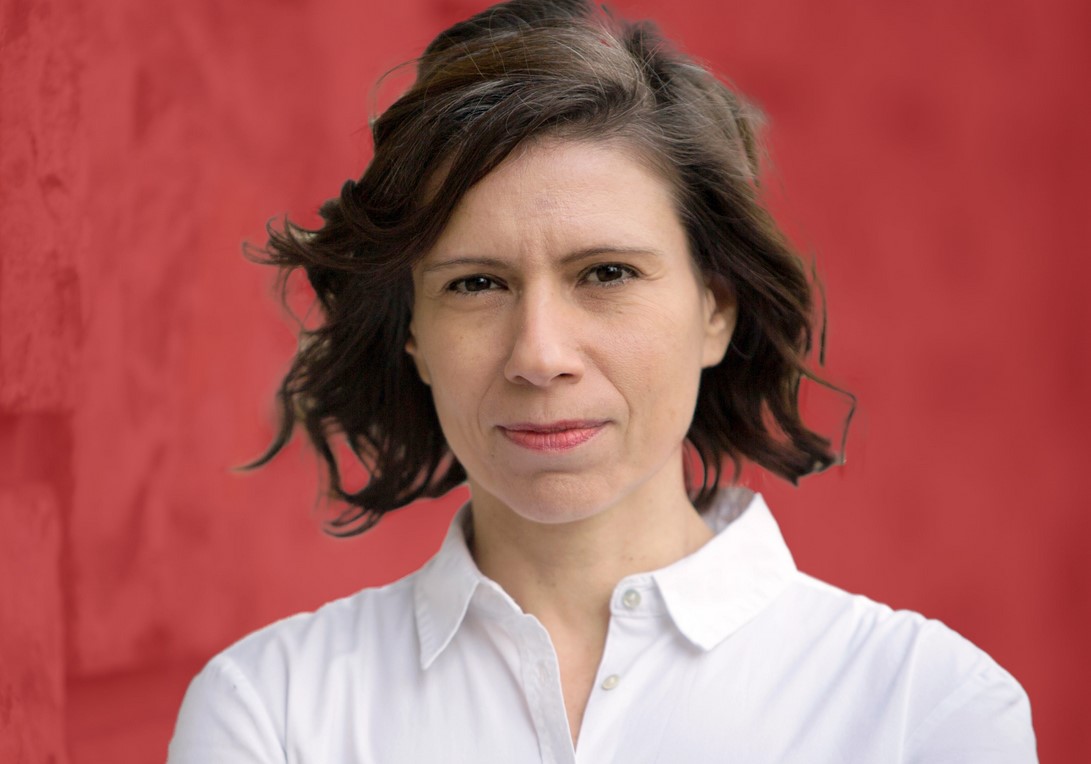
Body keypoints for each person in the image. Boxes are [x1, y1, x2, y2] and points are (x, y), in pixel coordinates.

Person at [168, 1, 1036, 761]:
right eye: (475, 284)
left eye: (607, 273)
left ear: (715, 309)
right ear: (413, 336)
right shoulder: (272, 711)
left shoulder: (926, 709)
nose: (539, 354)